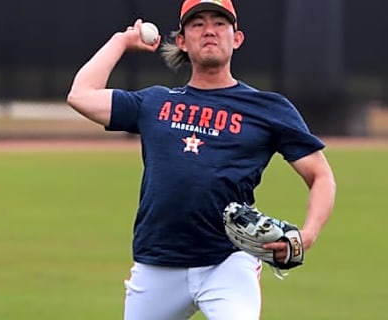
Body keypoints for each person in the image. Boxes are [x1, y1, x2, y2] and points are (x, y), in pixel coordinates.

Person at [66, 0, 336, 319]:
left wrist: (308, 234)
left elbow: (320, 176)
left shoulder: (268, 108)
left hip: (228, 262)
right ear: (182, 41)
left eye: (220, 23)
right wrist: (121, 41)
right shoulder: (154, 102)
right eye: (197, 24)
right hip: (157, 264)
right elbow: (80, 95)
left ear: (236, 38)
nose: (209, 30)